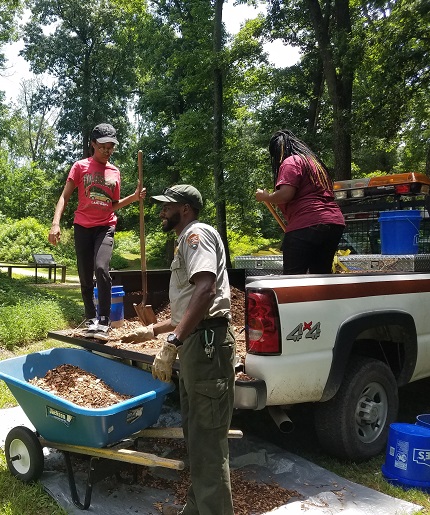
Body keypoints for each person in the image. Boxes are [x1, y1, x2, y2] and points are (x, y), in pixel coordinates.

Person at [121, 184, 235, 515]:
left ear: (184, 209)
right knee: (198, 438)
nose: (161, 211)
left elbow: (205, 290)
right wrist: (153, 331)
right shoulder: (185, 240)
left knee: (209, 446)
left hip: (206, 347)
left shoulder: (194, 235)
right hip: (199, 345)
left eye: (166, 206)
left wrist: (173, 342)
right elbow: (190, 306)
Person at [49, 123, 145, 340]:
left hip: (105, 225)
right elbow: (64, 196)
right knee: (84, 275)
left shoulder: (115, 172)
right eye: (103, 146)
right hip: (82, 226)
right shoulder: (80, 167)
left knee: (101, 268)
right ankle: (90, 318)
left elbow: (112, 204)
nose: (107, 150)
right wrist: (55, 223)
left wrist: (134, 197)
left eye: (111, 146)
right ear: (93, 144)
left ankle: (103, 319)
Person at [255, 129, 345, 274]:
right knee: (321, 275)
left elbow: (285, 195)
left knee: (293, 278)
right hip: (333, 223)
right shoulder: (316, 164)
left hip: (307, 222)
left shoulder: (291, 162)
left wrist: (266, 197)